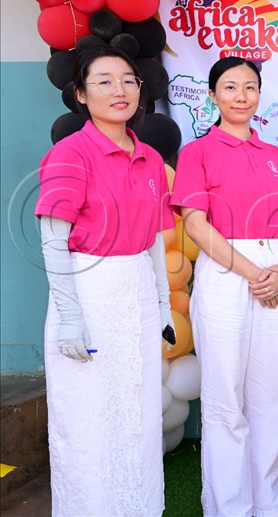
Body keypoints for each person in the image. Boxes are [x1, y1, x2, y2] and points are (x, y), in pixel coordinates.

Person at [36, 45, 174, 517]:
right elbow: (53, 242)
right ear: (80, 94)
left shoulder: (152, 159)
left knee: (135, 418)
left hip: (135, 293)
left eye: (128, 79)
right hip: (89, 294)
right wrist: (71, 319)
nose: (119, 90)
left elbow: (154, 240)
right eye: (104, 81)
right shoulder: (69, 154)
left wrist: (163, 305)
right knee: (90, 422)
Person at [170, 57, 278, 517]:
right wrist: (254, 275)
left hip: (275, 274)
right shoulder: (198, 152)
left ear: (259, 95)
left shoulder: (274, 155)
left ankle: (269, 506)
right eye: (230, 87)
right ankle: (229, 508)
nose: (241, 96)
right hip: (227, 274)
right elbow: (196, 224)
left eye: (250, 87)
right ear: (212, 95)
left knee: (271, 395)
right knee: (226, 398)